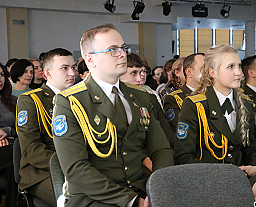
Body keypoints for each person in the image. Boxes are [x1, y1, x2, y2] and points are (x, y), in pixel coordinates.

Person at [52, 24, 173, 207]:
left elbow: (161, 149)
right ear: (90, 59)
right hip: (94, 198)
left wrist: (159, 189)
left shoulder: (140, 96)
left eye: (123, 48)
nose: (123, 54)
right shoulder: (69, 102)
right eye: (112, 50)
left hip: (142, 189)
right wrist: (131, 201)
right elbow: (76, 169)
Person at [174, 45, 256, 202]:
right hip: (209, 179)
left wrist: (255, 167)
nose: (239, 73)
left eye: (239, 66)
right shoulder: (195, 105)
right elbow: (183, 156)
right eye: (230, 67)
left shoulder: (246, 103)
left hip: (242, 175)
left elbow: (251, 146)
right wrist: (221, 176)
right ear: (212, 73)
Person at [16, 48, 76, 206]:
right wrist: (70, 163)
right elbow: (31, 149)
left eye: (73, 68)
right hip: (43, 171)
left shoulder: (79, 99)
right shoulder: (31, 100)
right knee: (78, 199)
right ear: (47, 74)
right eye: (65, 68)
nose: (72, 73)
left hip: (77, 167)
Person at [120, 52, 175, 149]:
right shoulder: (113, 99)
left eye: (142, 72)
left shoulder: (150, 97)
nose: (139, 78)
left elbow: (165, 131)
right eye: (133, 73)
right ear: (119, 74)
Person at [0, 60, 18, 207]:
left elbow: (23, 129)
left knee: (13, 169)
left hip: (10, 146)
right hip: (4, 151)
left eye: (1, 75)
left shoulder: (14, 101)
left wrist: (7, 131)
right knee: (16, 155)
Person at [163, 53, 204, 134]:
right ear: (189, 72)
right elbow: (182, 129)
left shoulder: (212, 95)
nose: (209, 74)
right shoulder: (174, 99)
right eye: (203, 70)